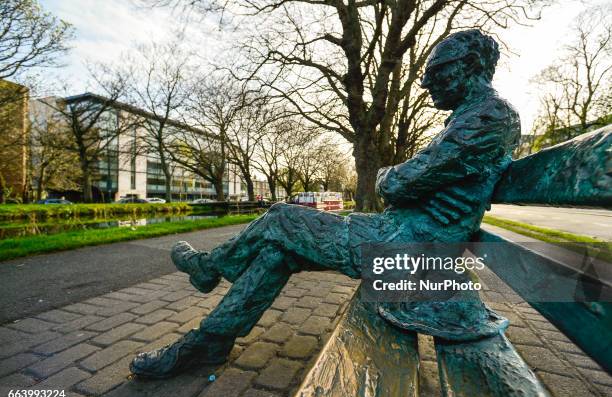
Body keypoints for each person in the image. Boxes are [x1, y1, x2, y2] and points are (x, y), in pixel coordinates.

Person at [130, 29, 521, 378]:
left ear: (470, 65)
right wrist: (399, 179)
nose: (426, 82)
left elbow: (401, 182)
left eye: (436, 71)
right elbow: (411, 181)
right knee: (275, 249)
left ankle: (209, 269)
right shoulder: (471, 116)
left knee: (282, 218)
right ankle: (209, 341)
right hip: (405, 235)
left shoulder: (488, 116)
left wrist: (390, 176)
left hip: (409, 249)